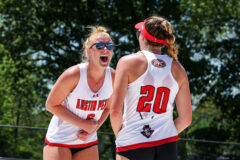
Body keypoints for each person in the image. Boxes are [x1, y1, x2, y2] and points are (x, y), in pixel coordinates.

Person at [110, 16, 192, 160]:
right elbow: (186, 119)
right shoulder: (178, 68)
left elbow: (115, 112)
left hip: (134, 141)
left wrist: (122, 138)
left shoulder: (127, 62)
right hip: (167, 145)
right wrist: (163, 134)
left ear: (142, 37)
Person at [43, 26, 115, 160]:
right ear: (89, 52)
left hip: (87, 141)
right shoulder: (74, 74)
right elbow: (51, 105)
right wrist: (83, 124)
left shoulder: (113, 77)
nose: (105, 49)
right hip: (60, 139)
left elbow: (108, 107)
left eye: (109, 46)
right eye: (99, 46)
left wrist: (94, 128)